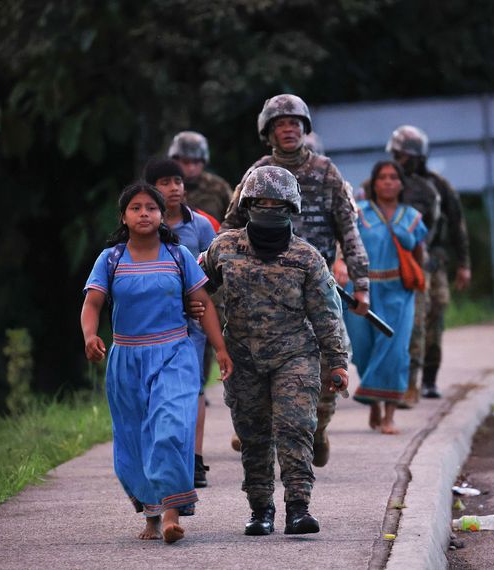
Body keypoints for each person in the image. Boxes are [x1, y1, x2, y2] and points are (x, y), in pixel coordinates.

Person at [221, 94, 369, 467]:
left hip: (317, 288)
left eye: (294, 123)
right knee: (261, 374)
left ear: (305, 129)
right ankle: (269, 436)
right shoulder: (257, 173)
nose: (288, 129)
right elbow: (230, 229)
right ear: (268, 132)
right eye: (280, 124)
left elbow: (348, 230)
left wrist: (361, 282)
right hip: (262, 293)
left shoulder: (326, 171)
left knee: (326, 374)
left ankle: (315, 430)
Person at [80, 182, 232, 543]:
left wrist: (221, 349)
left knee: (171, 426)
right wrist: (90, 335)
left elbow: (204, 304)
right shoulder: (111, 259)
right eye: (136, 207)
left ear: (163, 216)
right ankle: (151, 514)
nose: (144, 213)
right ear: (124, 216)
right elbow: (92, 303)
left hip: (174, 353)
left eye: (151, 207)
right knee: (135, 440)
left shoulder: (178, 255)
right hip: (127, 359)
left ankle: (171, 513)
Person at [202, 166, 349, 535]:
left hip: (295, 355)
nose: (269, 208)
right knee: (253, 435)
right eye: (262, 202)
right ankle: (260, 509)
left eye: (277, 203)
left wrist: (337, 362)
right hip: (242, 357)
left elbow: (326, 314)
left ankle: (298, 507)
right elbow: (195, 285)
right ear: (249, 205)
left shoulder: (307, 257)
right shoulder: (224, 247)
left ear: (291, 207)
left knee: (295, 429)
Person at [144, 158, 217, 488]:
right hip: (150, 324)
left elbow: (214, 273)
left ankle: (195, 458)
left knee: (194, 387)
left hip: (193, 323)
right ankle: (162, 457)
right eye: (164, 182)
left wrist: (196, 298)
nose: (174, 188)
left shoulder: (201, 226)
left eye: (178, 181)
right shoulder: (143, 226)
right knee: (156, 390)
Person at [359, 127, 441, 407]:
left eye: (404, 155)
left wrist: (417, 273)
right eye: (383, 178)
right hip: (374, 277)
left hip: (410, 271)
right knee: (368, 341)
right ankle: (375, 394)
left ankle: (410, 386)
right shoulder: (365, 202)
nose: (389, 182)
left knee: (412, 333)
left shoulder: (430, 190)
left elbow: (441, 227)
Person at [346, 161, 427, 434]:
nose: (389, 182)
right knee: (364, 349)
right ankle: (374, 406)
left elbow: (419, 256)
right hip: (361, 288)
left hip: (398, 291)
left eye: (394, 177)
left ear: (401, 184)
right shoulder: (360, 213)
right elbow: (345, 246)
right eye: (383, 177)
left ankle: (390, 415)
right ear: (375, 182)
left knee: (394, 351)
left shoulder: (412, 217)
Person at [394, 125, 472, 398]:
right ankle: (398, 378)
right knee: (399, 320)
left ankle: (429, 379)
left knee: (435, 313)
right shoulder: (387, 181)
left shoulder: (438, 186)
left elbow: (457, 225)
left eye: (404, 155)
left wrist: (464, 264)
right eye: (397, 154)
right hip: (393, 261)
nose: (401, 161)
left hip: (433, 260)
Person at [168, 130, 233, 225]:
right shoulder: (163, 186)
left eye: (196, 162)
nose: (191, 168)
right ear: (175, 160)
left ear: (204, 161)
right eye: (186, 162)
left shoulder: (218, 187)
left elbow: (234, 220)